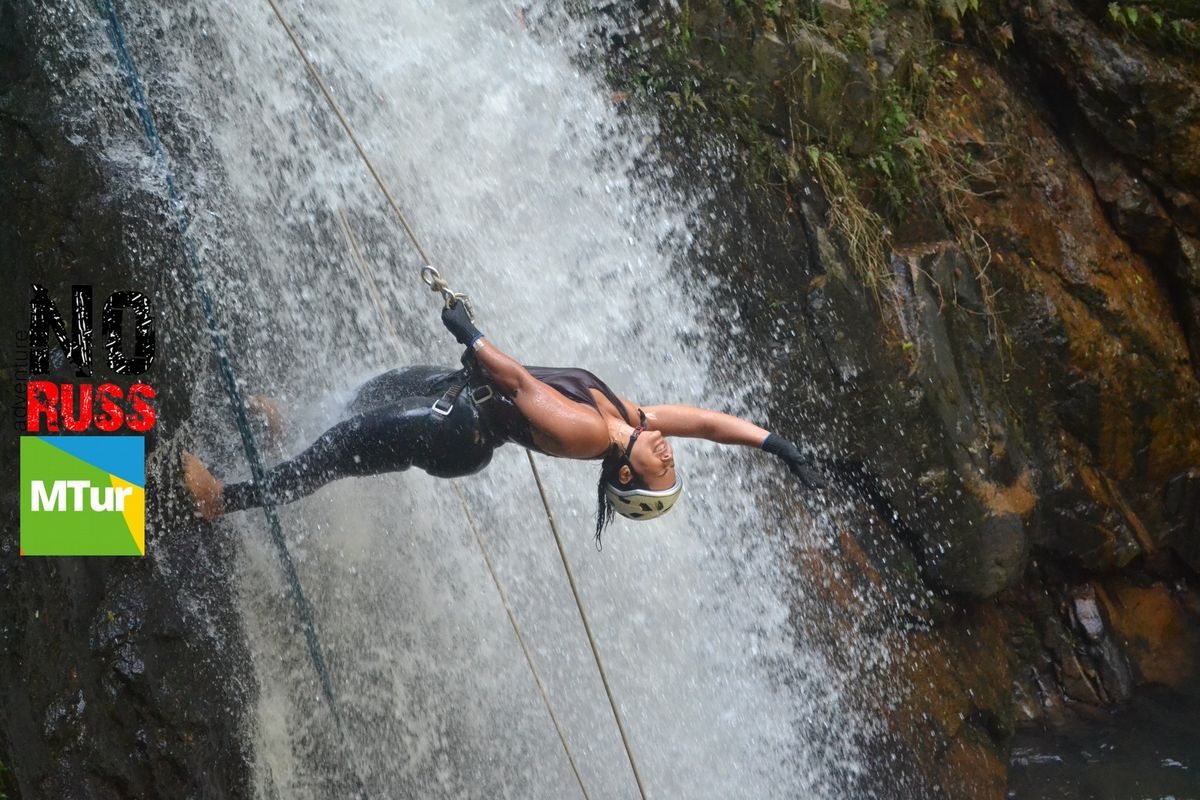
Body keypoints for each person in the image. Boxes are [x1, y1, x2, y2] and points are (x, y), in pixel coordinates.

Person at [182, 301, 825, 542]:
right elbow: (708, 423)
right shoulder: (629, 418)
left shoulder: (592, 434)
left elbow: (518, 384)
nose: (671, 458)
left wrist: (472, 331)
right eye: (670, 467)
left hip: (455, 427)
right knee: (366, 397)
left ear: (626, 472)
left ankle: (220, 500)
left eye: (661, 473)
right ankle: (285, 423)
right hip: (458, 394)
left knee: (339, 451)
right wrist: (778, 446)